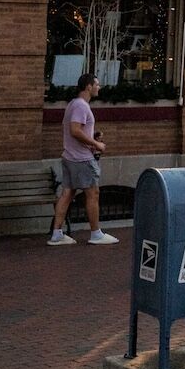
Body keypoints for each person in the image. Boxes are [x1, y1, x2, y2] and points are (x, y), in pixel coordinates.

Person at [48, 73, 118, 245]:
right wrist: (96, 144)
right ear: (88, 86)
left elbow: (77, 130)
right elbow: (75, 130)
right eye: (97, 84)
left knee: (67, 193)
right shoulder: (81, 106)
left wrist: (92, 136)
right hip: (81, 159)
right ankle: (96, 233)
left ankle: (57, 234)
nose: (99, 87)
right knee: (93, 193)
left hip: (70, 156)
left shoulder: (73, 104)